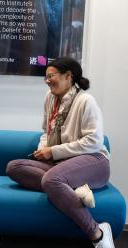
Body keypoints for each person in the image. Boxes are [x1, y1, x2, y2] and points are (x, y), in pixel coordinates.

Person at [6, 57, 114, 248]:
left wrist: (53, 151)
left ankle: (98, 233)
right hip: (61, 164)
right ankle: (71, 190)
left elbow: (94, 142)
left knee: (51, 180)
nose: (47, 80)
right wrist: (43, 149)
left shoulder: (86, 101)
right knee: (14, 167)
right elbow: (47, 132)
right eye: (46, 77)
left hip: (94, 161)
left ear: (68, 76)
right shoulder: (50, 98)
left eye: (51, 76)